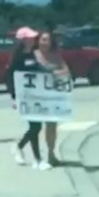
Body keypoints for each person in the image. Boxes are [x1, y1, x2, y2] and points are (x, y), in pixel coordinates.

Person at [7, 26, 52, 170]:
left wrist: (50, 73)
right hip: (23, 96)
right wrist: (13, 96)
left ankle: (20, 148)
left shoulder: (32, 54)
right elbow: (9, 77)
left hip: (35, 95)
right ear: (23, 40)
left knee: (36, 126)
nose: (33, 40)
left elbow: (37, 69)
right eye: (30, 38)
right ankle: (37, 159)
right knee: (35, 126)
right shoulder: (17, 57)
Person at [33, 30, 71, 167]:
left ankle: (51, 153)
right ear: (38, 41)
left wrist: (53, 73)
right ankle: (34, 154)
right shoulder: (33, 55)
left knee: (51, 126)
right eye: (42, 39)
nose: (44, 42)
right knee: (34, 127)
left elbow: (66, 71)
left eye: (47, 40)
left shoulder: (56, 56)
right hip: (35, 97)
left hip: (52, 97)